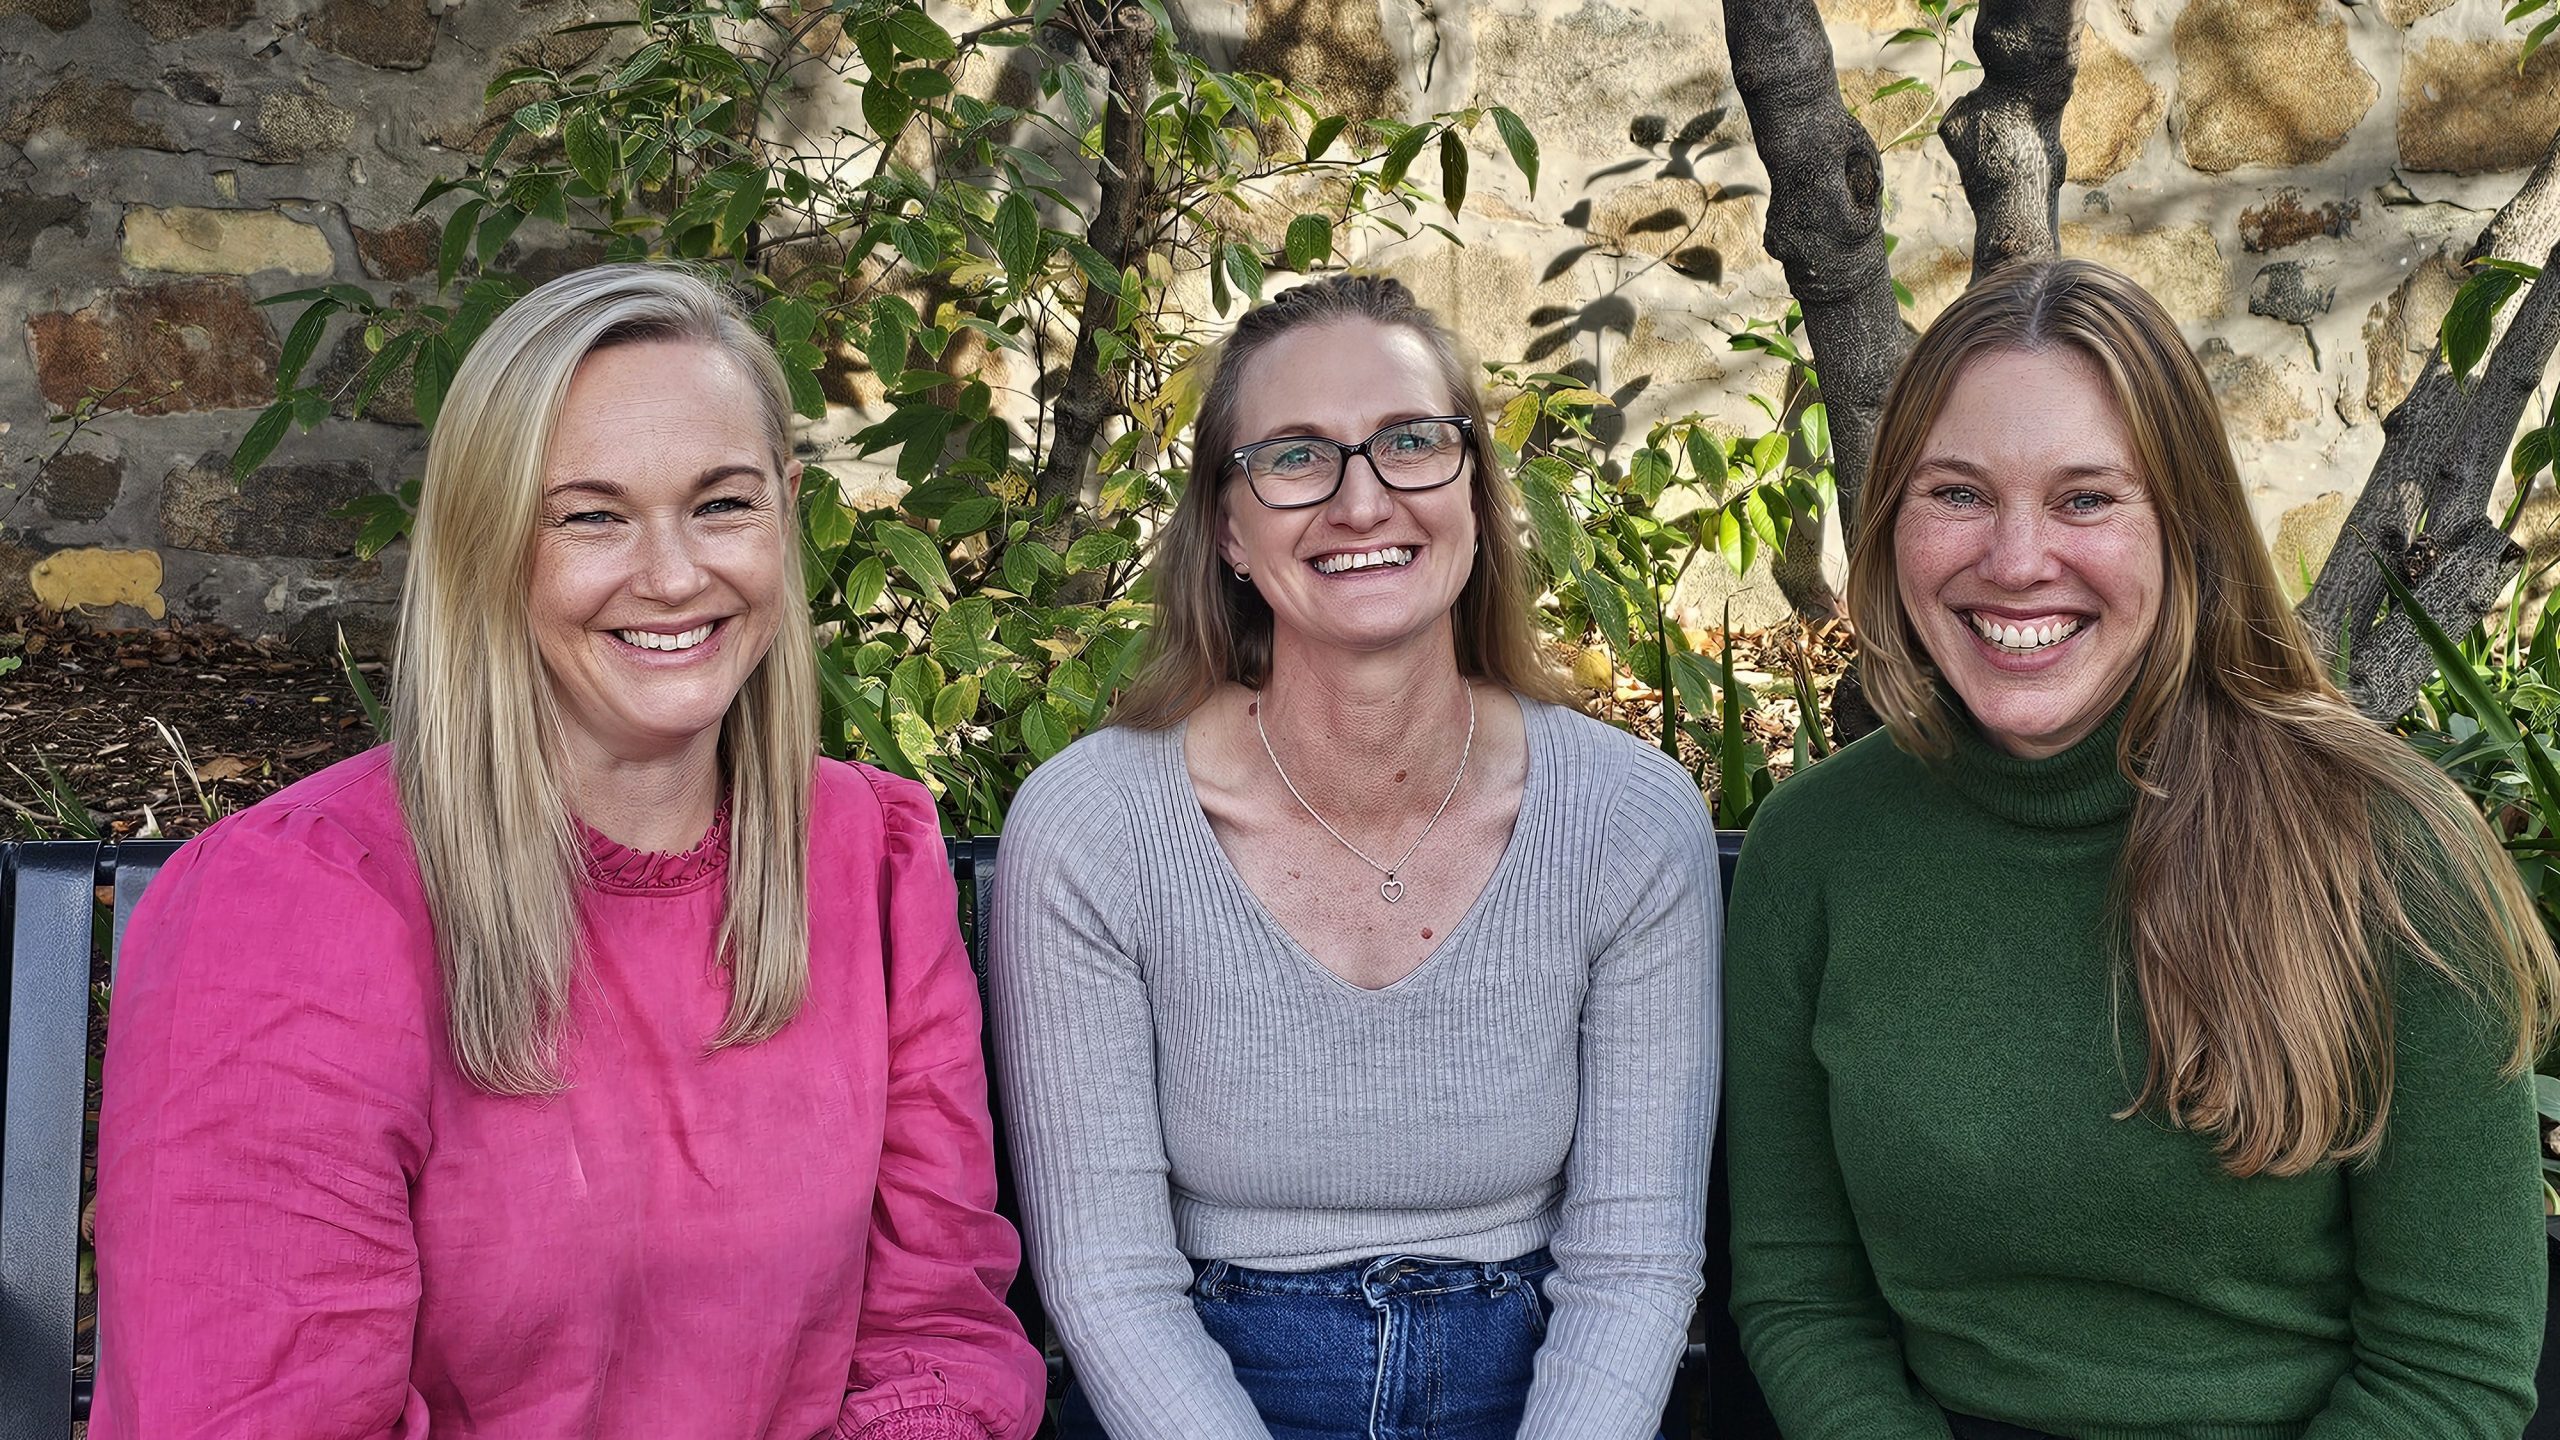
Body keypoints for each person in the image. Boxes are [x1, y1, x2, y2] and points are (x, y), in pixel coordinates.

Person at [93, 263, 1047, 1439]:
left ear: (786, 511)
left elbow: (932, 1329)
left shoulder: (868, 858)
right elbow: (261, 1408)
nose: (674, 575)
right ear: (486, 543)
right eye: (591, 515)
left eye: (722, 503)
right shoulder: (292, 910)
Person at [1724, 257, 2560, 1439]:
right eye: (1956, 492)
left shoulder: (2389, 853)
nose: (2016, 560)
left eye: (2085, 500)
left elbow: (2449, 1368)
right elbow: (1802, 1293)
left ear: (2186, 527)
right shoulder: (1815, 850)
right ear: (1890, 521)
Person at [986, 273, 1719, 1440]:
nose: (1363, 501)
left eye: (1411, 442)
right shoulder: (1097, 827)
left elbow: (1633, 1260)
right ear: (1227, 528)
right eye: (1294, 457)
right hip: (1201, 1393)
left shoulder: (1624, 817)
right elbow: (1109, 1281)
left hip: (1548, 1392)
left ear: (1474, 492)